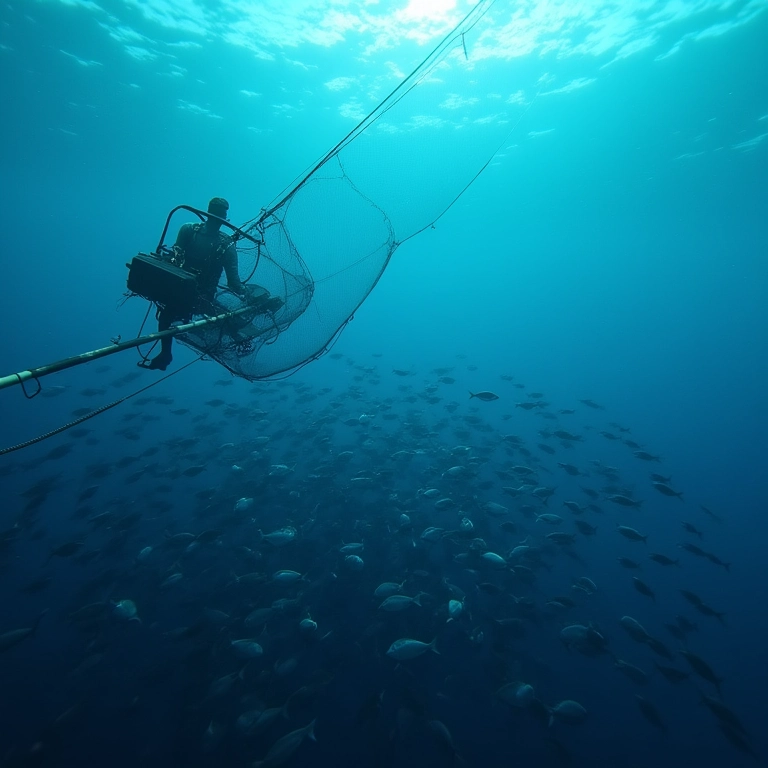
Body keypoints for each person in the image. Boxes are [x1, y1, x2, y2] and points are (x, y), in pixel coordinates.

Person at [148, 197, 278, 370]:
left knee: (167, 315)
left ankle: (166, 353)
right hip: (189, 293)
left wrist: (248, 295)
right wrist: (248, 294)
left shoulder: (196, 233)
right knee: (220, 318)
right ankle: (166, 353)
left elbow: (176, 258)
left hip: (190, 294)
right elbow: (234, 284)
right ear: (224, 218)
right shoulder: (206, 237)